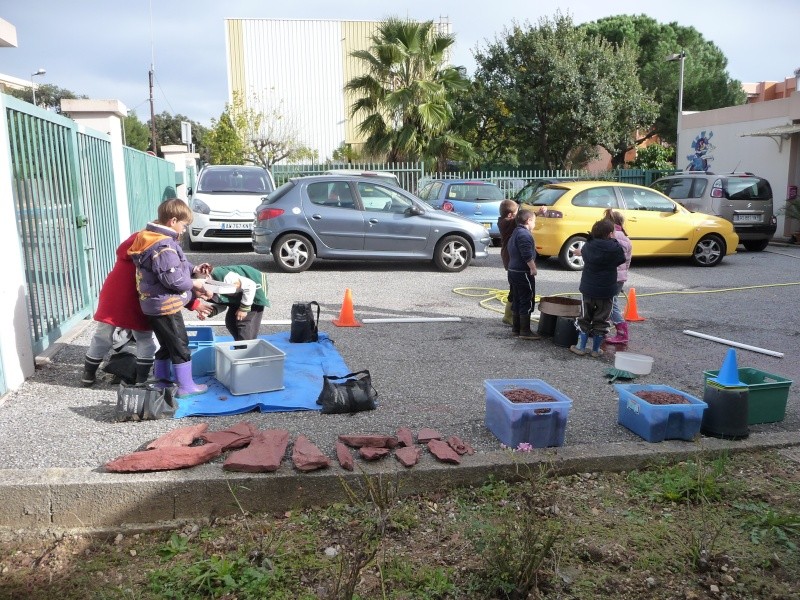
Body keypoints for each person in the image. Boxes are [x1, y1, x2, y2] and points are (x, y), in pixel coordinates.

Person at [128, 198, 213, 398]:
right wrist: (195, 283)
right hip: (166, 305)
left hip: (152, 304)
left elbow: (175, 265)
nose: (184, 230)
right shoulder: (163, 245)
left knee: (166, 344)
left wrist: (193, 269)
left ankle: (162, 380)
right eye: (183, 225)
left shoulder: (152, 238)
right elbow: (174, 280)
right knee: (180, 344)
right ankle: (186, 386)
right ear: (173, 220)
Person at [81, 233, 158, 387]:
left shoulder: (131, 244)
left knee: (102, 335)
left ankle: (88, 375)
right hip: (135, 295)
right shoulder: (157, 245)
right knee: (144, 337)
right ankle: (142, 380)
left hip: (112, 293)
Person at [570, 219, 626, 358]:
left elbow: (585, 252)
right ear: (610, 234)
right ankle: (596, 350)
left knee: (584, 317)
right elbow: (621, 259)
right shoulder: (614, 248)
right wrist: (613, 241)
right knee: (601, 319)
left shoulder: (588, 246)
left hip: (588, 289)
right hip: (607, 291)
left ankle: (580, 347)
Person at [196, 265, 270, 341]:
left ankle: (246, 349)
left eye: (203, 294)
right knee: (230, 322)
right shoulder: (207, 290)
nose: (204, 298)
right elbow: (223, 302)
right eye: (200, 297)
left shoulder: (225, 277)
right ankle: (240, 345)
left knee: (243, 321)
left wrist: (244, 309)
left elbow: (250, 285)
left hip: (255, 286)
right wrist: (210, 311)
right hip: (238, 293)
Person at [506, 208, 540, 340]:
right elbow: (526, 253)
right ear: (529, 220)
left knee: (517, 298)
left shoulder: (516, 232)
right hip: (522, 272)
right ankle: (525, 331)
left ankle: (516, 328)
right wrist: (533, 267)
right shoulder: (524, 235)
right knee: (526, 298)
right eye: (534, 221)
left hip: (513, 270)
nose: (535, 225)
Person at [604, 209, 633, 344]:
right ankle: (602, 328)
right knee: (608, 302)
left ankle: (622, 333)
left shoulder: (611, 236)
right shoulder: (626, 238)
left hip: (610, 276)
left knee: (610, 304)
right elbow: (627, 261)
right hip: (620, 277)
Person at [497, 199, 519, 326]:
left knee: (514, 286)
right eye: (516, 212)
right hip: (510, 258)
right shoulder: (507, 223)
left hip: (508, 257)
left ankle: (509, 314)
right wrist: (537, 212)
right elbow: (522, 219)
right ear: (510, 215)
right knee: (514, 287)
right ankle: (508, 315)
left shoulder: (504, 220)